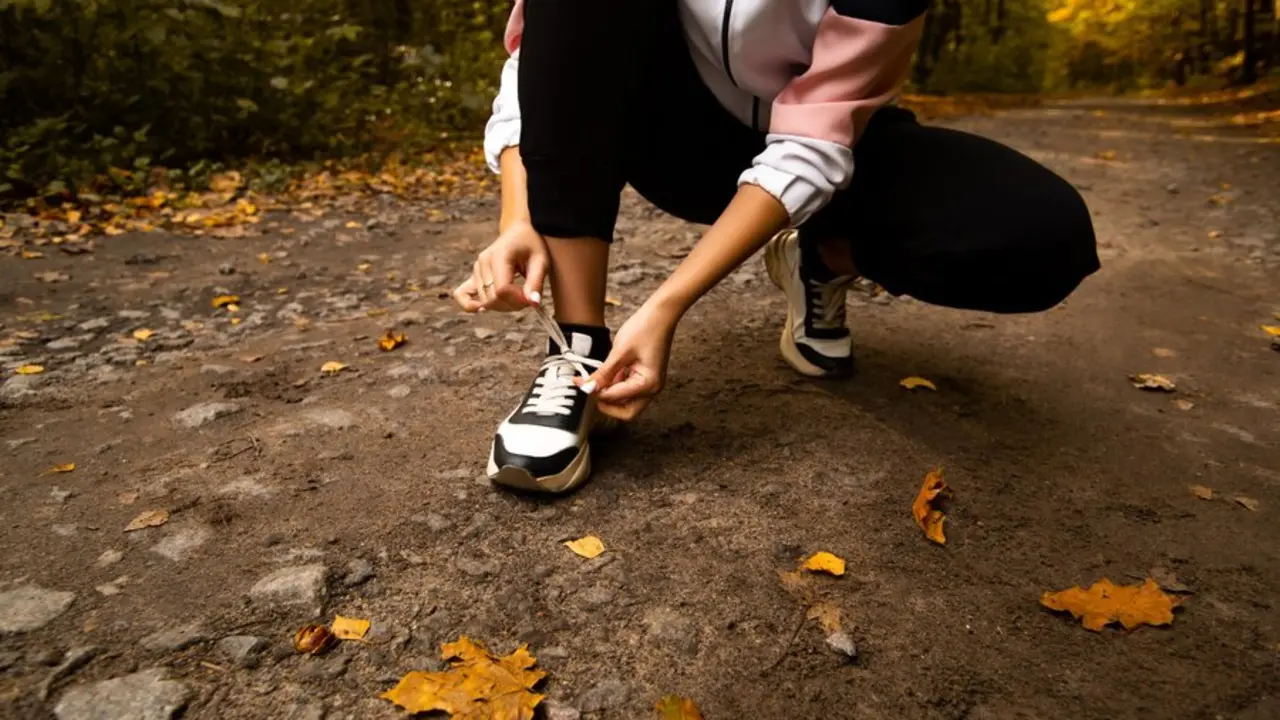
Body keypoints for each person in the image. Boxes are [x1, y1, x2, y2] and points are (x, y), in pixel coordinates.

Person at [452, 0, 1100, 493]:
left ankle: (823, 256)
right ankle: (577, 347)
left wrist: (667, 305)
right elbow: (541, 61)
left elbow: (816, 139)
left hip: (833, 145)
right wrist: (521, 217)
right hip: (680, 143)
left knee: (1042, 231)